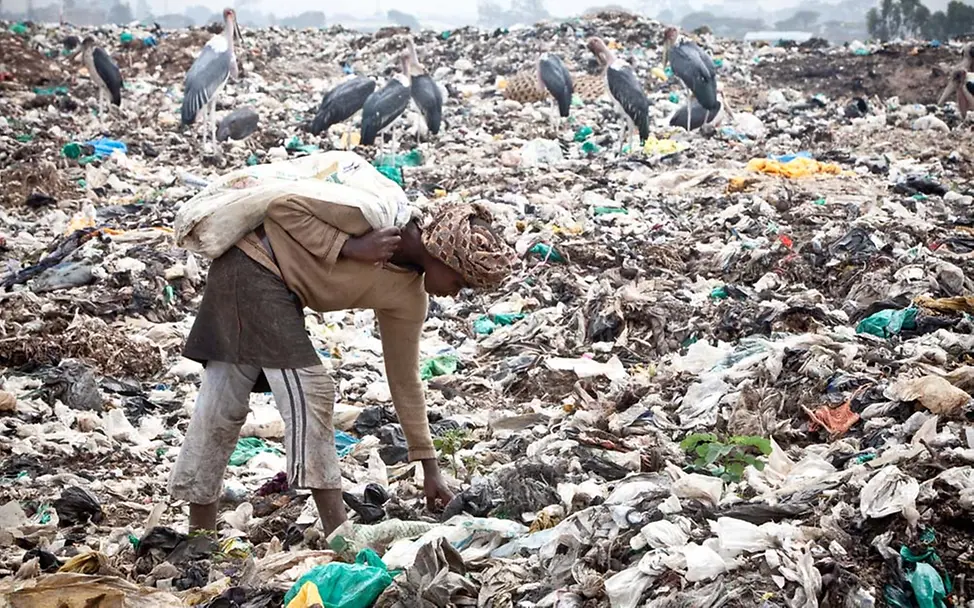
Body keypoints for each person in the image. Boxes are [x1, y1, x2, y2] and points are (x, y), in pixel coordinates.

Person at [168, 197, 516, 535]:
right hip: (251, 265)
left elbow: (405, 379)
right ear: (444, 256)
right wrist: (349, 246)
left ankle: (200, 535)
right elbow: (282, 208)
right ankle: (339, 535)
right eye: (460, 282)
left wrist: (430, 468)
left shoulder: (410, 296)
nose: (455, 294)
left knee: (221, 406)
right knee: (310, 391)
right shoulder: (374, 218)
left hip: (278, 294)